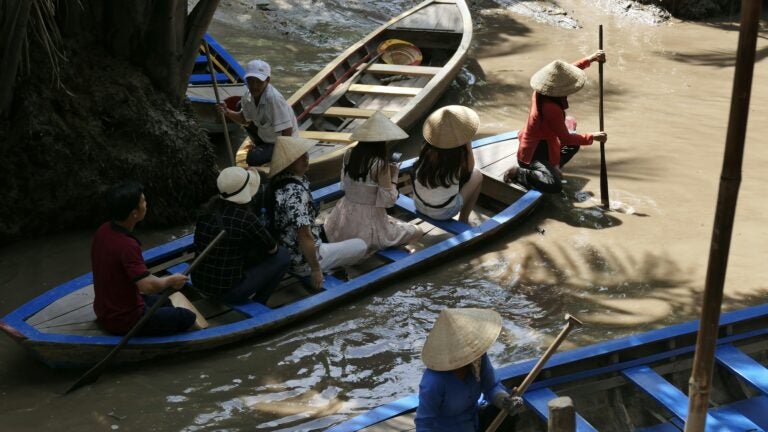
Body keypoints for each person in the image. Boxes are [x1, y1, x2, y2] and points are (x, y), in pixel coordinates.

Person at [91, 181, 196, 335]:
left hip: (105, 309)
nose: (146, 204)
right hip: (126, 319)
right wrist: (170, 280)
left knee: (165, 301)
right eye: (143, 201)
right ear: (134, 212)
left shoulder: (104, 229)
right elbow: (147, 286)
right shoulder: (127, 245)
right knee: (188, 317)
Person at [269, 135, 368, 290]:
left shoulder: (279, 181)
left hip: (285, 248)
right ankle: (322, 267)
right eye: (299, 157)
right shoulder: (295, 192)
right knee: (361, 245)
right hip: (301, 258)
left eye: (305, 154)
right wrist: (315, 269)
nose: (306, 159)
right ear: (288, 163)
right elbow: (304, 235)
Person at [503, 51, 609, 193]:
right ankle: (521, 173)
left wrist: (591, 59)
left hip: (546, 142)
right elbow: (565, 138)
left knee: (573, 143)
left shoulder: (541, 90)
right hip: (533, 155)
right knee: (554, 185)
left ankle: (554, 166)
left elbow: (566, 73)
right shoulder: (551, 108)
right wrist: (593, 136)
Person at [324, 112, 423, 254]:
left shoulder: (349, 154)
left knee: (393, 224)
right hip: (369, 222)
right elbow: (388, 201)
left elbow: (344, 185)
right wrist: (393, 176)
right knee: (418, 231)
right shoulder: (380, 165)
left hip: (344, 217)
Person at [415, 308, 524, 431]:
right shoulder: (434, 381)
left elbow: (491, 387)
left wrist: (504, 400)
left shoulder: (477, 359)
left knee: (503, 414)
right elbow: (423, 424)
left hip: (474, 423)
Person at [193, 166, 290, 304]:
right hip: (228, 292)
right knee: (283, 256)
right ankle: (260, 302)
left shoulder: (206, 211)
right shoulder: (246, 219)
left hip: (200, 282)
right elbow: (272, 249)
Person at [217, 59, 299, 166]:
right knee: (239, 105)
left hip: (280, 143)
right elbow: (243, 119)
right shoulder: (247, 96)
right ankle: (262, 146)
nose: (254, 86)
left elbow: (287, 129)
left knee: (252, 158)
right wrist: (226, 111)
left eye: (259, 82)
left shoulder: (273, 99)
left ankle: (268, 150)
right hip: (265, 136)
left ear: (267, 80)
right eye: (251, 81)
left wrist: (282, 157)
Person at [412, 105, 484, 225]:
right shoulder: (457, 155)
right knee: (477, 175)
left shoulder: (426, 147)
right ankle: (464, 219)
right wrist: (467, 144)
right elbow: (470, 171)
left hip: (418, 204)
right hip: (443, 213)